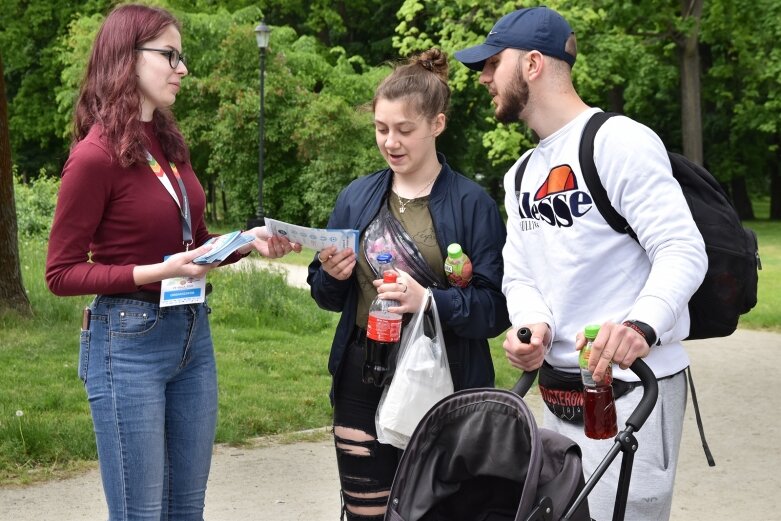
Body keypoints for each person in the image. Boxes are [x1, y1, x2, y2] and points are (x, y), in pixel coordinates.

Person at [45, 4, 300, 520]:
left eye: (181, 57)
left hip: (191, 338)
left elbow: (196, 241)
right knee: (141, 513)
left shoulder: (168, 144)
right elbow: (61, 273)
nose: (182, 69)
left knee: (186, 510)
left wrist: (248, 241)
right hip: (126, 343)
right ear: (126, 59)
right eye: (170, 55)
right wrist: (158, 271)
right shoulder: (93, 158)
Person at [454, 6, 707, 521]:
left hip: (634, 391)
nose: (482, 77)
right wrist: (532, 324)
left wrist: (640, 325)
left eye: (491, 63)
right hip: (561, 394)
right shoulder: (521, 173)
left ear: (531, 64)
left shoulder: (619, 141)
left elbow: (682, 247)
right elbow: (522, 275)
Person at [307, 48, 510, 520]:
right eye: (381, 129)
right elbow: (325, 294)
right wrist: (331, 276)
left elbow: (495, 308)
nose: (390, 142)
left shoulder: (472, 203)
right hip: (363, 372)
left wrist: (429, 301)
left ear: (437, 125)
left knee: (439, 511)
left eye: (404, 130)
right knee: (365, 511)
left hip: (446, 377)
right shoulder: (357, 196)